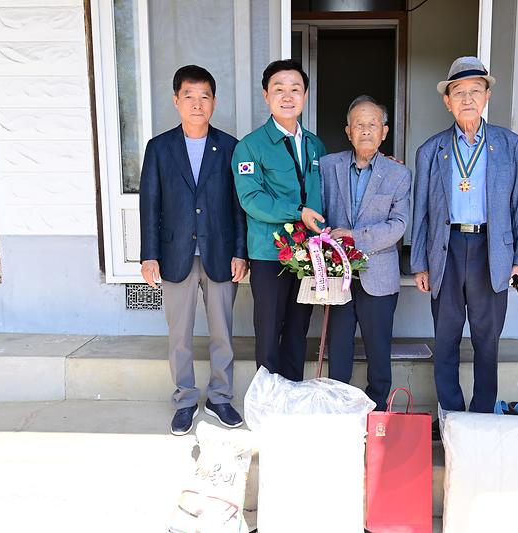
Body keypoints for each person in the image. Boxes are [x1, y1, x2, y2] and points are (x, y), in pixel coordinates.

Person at [411, 56, 518, 415]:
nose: (467, 99)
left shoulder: (508, 144)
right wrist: (420, 262)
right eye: (458, 92)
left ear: (487, 97)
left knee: (486, 338)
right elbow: (422, 212)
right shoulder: (431, 150)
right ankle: (450, 414)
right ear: (447, 101)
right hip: (446, 250)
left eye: (474, 91)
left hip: (491, 249)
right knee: (446, 338)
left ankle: (480, 416)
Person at [139, 65, 248, 435]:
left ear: (214, 102)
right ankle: (185, 398)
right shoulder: (159, 147)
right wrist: (148, 254)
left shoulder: (231, 147)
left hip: (219, 254)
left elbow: (238, 205)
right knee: (179, 335)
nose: (197, 103)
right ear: (176, 100)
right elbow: (150, 204)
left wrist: (240, 251)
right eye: (189, 96)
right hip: (174, 256)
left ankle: (220, 397)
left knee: (222, 332)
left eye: (205, 96)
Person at [232, 59, 327, 381]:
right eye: (279, 89)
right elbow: (251, 200)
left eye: (295, 89)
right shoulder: (250, 146)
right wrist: (297, 213)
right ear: (265, 95)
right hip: (270, 253)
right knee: (270, 329)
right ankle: (268, 399)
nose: (287, 97)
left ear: (306, 94)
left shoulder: (315, 145)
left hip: (308, 254)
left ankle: (293, 394)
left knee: (299, 327)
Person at [319, 95, 411, 410]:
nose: (366, 130)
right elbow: (318, 212)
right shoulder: (328, 166)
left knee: (378, 350)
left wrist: (354, 238)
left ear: (384, 131)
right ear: (348, 131)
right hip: (336, 276)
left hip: (379, 276)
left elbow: (398, 225)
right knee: (339, 349)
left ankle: (377, 413)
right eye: (359, 124)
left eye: (373, 124)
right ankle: (339, 410)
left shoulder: (399, 174)